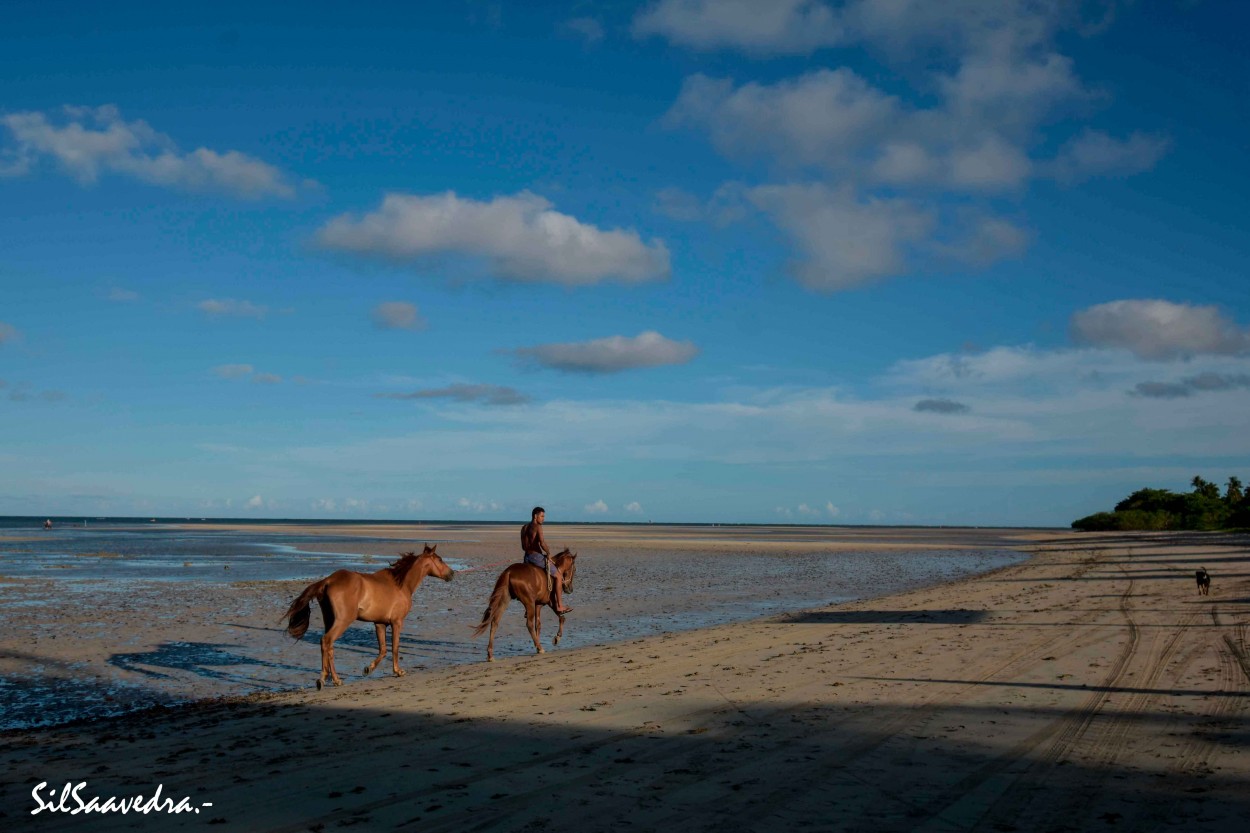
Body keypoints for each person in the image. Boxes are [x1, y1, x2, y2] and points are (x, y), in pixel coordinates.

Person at [521, 506, 572, 614]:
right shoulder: (538, 526)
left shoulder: (524, 527)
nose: (543, 518)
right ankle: (559, 606)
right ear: (535, 516)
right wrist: (548, 553)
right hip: (536, 556)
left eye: (544, 516)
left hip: (526, 557)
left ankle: (528, 608)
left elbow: (523, 546)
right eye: (542, 516)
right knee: (558, 576)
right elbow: (542, 543)